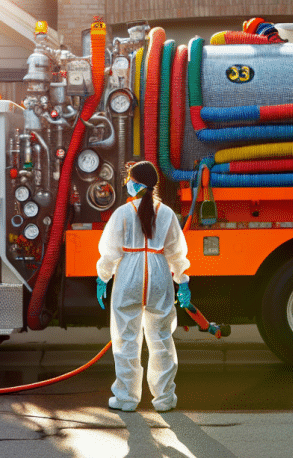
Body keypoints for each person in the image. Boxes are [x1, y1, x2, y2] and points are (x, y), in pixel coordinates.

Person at [96, 161, 191, 412]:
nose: (127, 183)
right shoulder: (167, 213)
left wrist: (102, 277)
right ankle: (164, 399)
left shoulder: (123, 213)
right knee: (161, 338)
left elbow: (109, 253)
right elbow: (177, 253)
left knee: (126, 338)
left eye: (128, 178)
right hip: (159, 275)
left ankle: (126, 399)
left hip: (128, 276)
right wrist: (182, 281)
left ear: (135, 183)